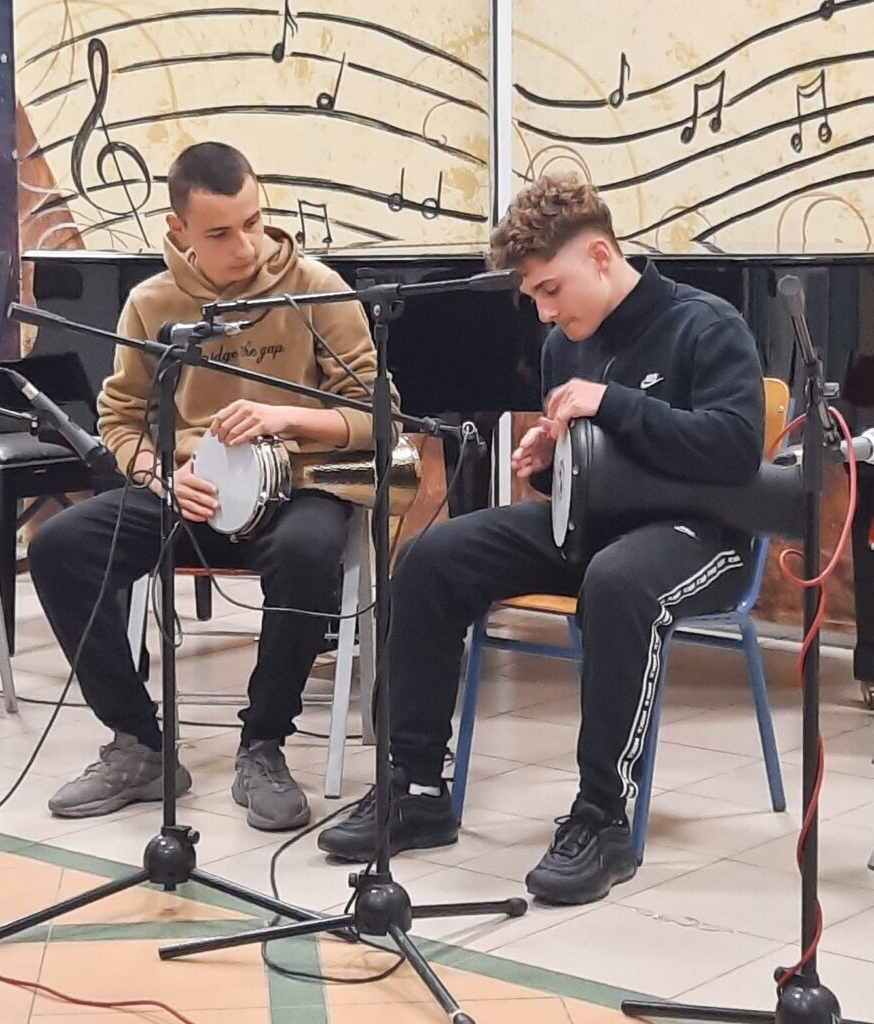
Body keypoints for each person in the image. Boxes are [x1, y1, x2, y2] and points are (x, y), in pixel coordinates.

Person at [318, 175, 765, 905]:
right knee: (432, 558)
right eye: (533, 298)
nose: (546, 312)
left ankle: (602, 820)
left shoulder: (706, 326)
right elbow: (599, 472)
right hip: (594, 528)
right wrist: (557, 464)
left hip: (702, 535)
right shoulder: (563, 347)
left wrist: (613, 404)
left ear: (600, 256)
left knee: (617, 584)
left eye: (551, 290)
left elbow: (734, 452)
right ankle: (416, 788)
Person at [30, 141, 394, 831]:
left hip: (297, 487)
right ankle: (139, 745)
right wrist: (160, 478)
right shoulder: (152, 304)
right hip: (190, 492)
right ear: (179, 230)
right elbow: (122, 419)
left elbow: (380, 417)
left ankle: (264, 745)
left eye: (253, 222)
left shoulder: (317, 288)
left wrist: (284, 416)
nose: (246, 245)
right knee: (59, 547)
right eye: (221, 233)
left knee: (309, 549)